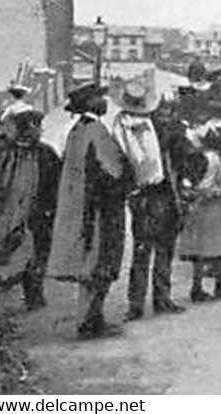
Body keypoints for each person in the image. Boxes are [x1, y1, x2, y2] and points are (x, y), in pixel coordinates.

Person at [46, 82, 134, 339]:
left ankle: (92, 319)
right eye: (100, 98)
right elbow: (113, 168)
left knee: (89, 264)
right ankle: (88, 321)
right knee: (99, 264)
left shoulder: (76, 130)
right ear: (91, 104)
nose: (105, 101)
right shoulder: (96, 130)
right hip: (100, 209)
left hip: (81, 205)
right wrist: (129, 181)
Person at [111, 79, 185, 320]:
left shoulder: (132, 127)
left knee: (152, 249)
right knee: (154, 249)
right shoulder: (144, 128)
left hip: (154, 195)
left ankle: (144, 302)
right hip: (155, 195)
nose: (165, 115)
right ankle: (150, 300)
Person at [0, 110, 60, 310]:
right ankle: (3, 286)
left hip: (31, 213)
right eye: (36, 126)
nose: (39, 130)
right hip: (21, 214)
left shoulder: (39, 153)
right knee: (21, 253)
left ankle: (32, 293)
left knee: (35, 252)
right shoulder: (15, 153)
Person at [177, 126, 221, 301]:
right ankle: (217, 285)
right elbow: (208, 187)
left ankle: (197, 286)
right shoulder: (215, 159)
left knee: (200, 248)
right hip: (216, 207)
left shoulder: (197, 157)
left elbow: (191, 184)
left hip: (200, 208)